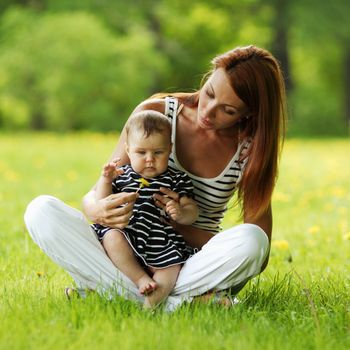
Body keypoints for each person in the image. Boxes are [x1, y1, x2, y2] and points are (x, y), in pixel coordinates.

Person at [24, 45, 287, 311]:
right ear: (209, 76)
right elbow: (97, 193)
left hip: (185, 262)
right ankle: (177, 303)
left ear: (249, 113)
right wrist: (97, 209)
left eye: (228, 110)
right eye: (209, 93)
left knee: (252, 241)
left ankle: (115, 293)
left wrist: (176, 224)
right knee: (40, 211)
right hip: (122, 249)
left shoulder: (251, 149)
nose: (207, 111)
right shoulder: (154, 114)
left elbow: (260, 254)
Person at [91, 110, 198, 308]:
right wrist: (106, 179)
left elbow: (192, 208)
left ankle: (152, 304)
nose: (150, 159)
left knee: (172, 268)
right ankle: (140, 279)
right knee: (111, 238)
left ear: (170, 149)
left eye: (158, 152)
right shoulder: (122, 176)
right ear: (128, 150)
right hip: (126, 233)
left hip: (160, 241)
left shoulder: (177, 179)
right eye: (141, 153)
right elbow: (102, 201)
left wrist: (182, 213)